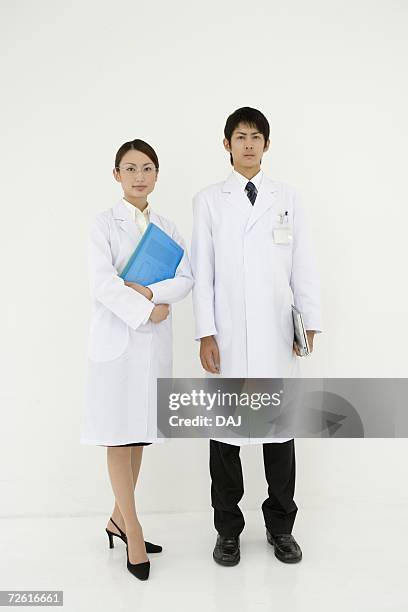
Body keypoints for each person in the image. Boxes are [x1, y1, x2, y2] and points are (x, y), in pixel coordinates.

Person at [191, 107, 322, 567]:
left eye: (256, 136)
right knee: (226, 439)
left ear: (267, 144)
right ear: (226, 144)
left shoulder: (288, 197)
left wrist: (309, 319)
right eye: (240, 136)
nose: (249, 144)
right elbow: (202, 271)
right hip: (226, 336)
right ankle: (227, 531)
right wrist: (206, 332)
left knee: (278, 435)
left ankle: (281, 529)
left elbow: (303, 262)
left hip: (275, 335)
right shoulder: (208, 200)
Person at [81, 139, 193, 580]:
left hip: (151, 344)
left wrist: (151, 293)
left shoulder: (166, 227)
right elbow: (102, 283)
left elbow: (185, 276)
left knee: (139, 432)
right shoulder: (102, 224)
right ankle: (135, 529)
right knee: (118, 433)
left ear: (157, 175)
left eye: (147, 168)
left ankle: (117, 519)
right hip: (116, 342)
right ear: (116, 175)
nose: (139, 176)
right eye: (130, 169)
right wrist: (147, 308)